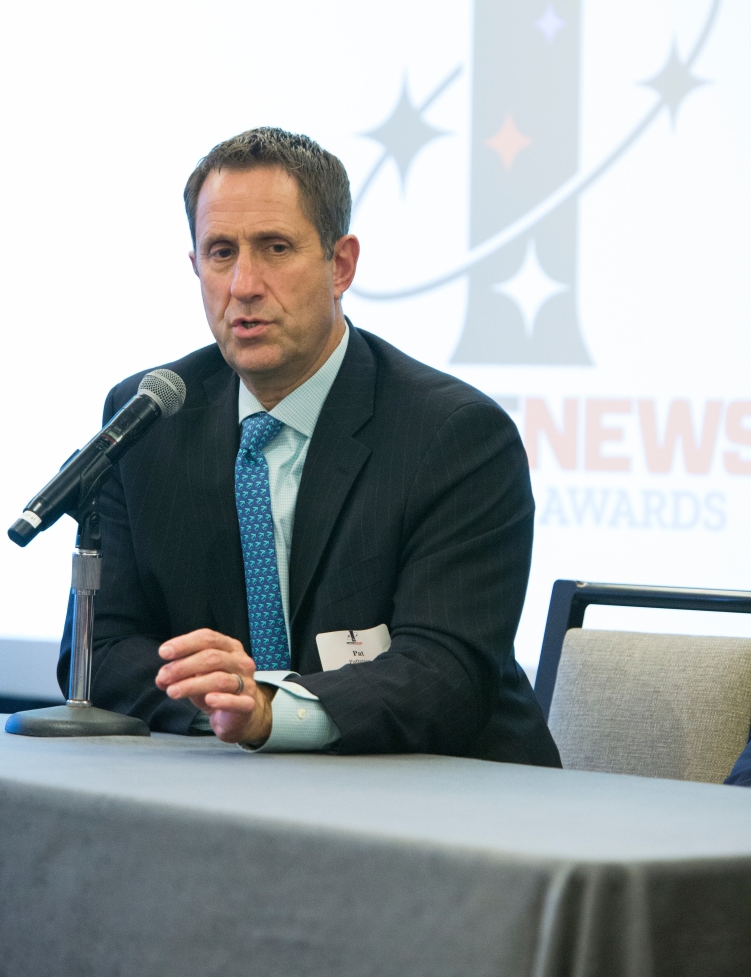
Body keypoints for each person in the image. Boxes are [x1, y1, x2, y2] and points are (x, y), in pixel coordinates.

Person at [58, 127, 560, 763]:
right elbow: (99, 651)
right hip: (223, 788)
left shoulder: (455, 433)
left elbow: (445, 671)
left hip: (447, 787)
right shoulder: (149, 418)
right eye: (220, 252)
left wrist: (275, 710)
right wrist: (218, 704)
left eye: (275, 248)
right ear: (196, 267)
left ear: (340, 265)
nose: (244, 284)